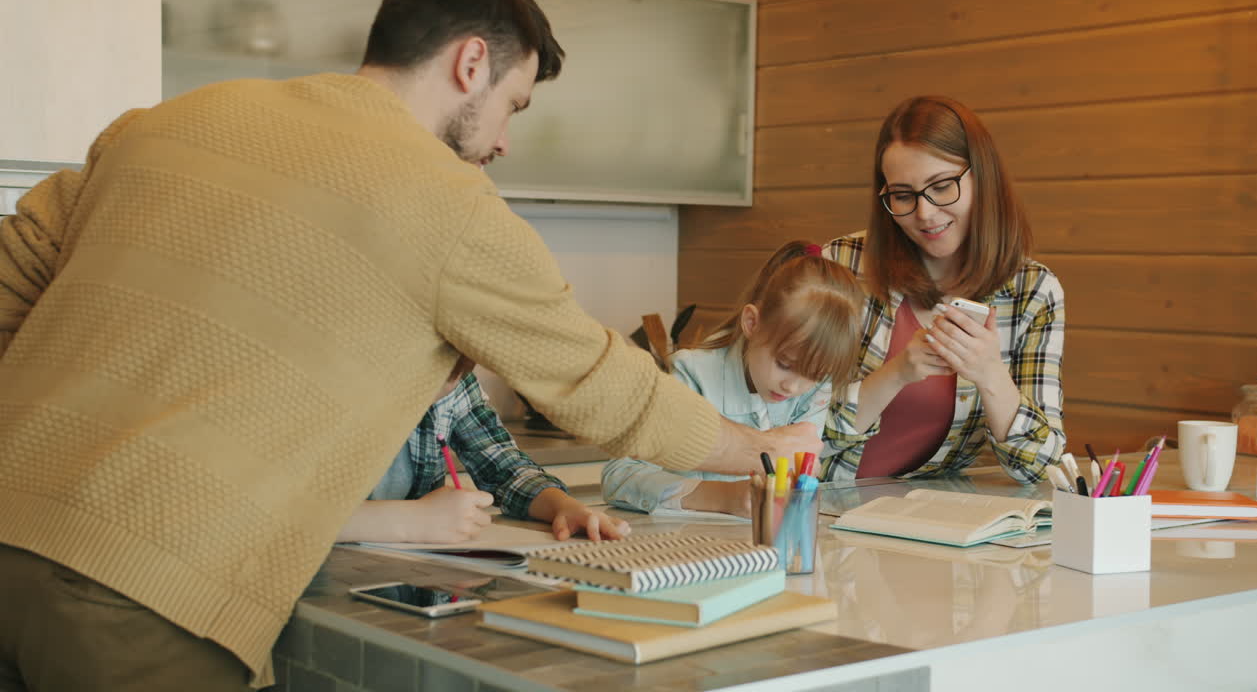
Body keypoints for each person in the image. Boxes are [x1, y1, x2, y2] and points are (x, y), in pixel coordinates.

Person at [0, 0, 819, 689]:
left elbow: (15, 273)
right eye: (512, 105)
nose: (501, 140)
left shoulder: (167, 120)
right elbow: (601, 385)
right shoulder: (448, 202)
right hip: (142, 590)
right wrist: (761, 450)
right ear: (470, 63)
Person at [821, 96, 1065, 484]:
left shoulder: (1032, 292)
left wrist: (990, 375)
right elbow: (791, 425)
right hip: (813, 500)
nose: (925, 213)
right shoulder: (842, 265)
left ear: (983, 177)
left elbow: (1039, 468)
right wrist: (896, 374)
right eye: (903, 195)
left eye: (942, 186)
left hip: (920, 520)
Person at [603, 241, 863, 517]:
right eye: (784, 364)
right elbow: (619, 476)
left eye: (814, 374)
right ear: (751, 323)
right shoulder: (694, 375)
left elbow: (801, 474)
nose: (794, 386)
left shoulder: (814, 390)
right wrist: (720, 497)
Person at [339, 357, 630, 543]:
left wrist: (564, 507)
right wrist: (411, 520)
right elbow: (294, 516)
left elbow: (505, 469)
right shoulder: (325, 379)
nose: (449, 385)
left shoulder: (454, 380)